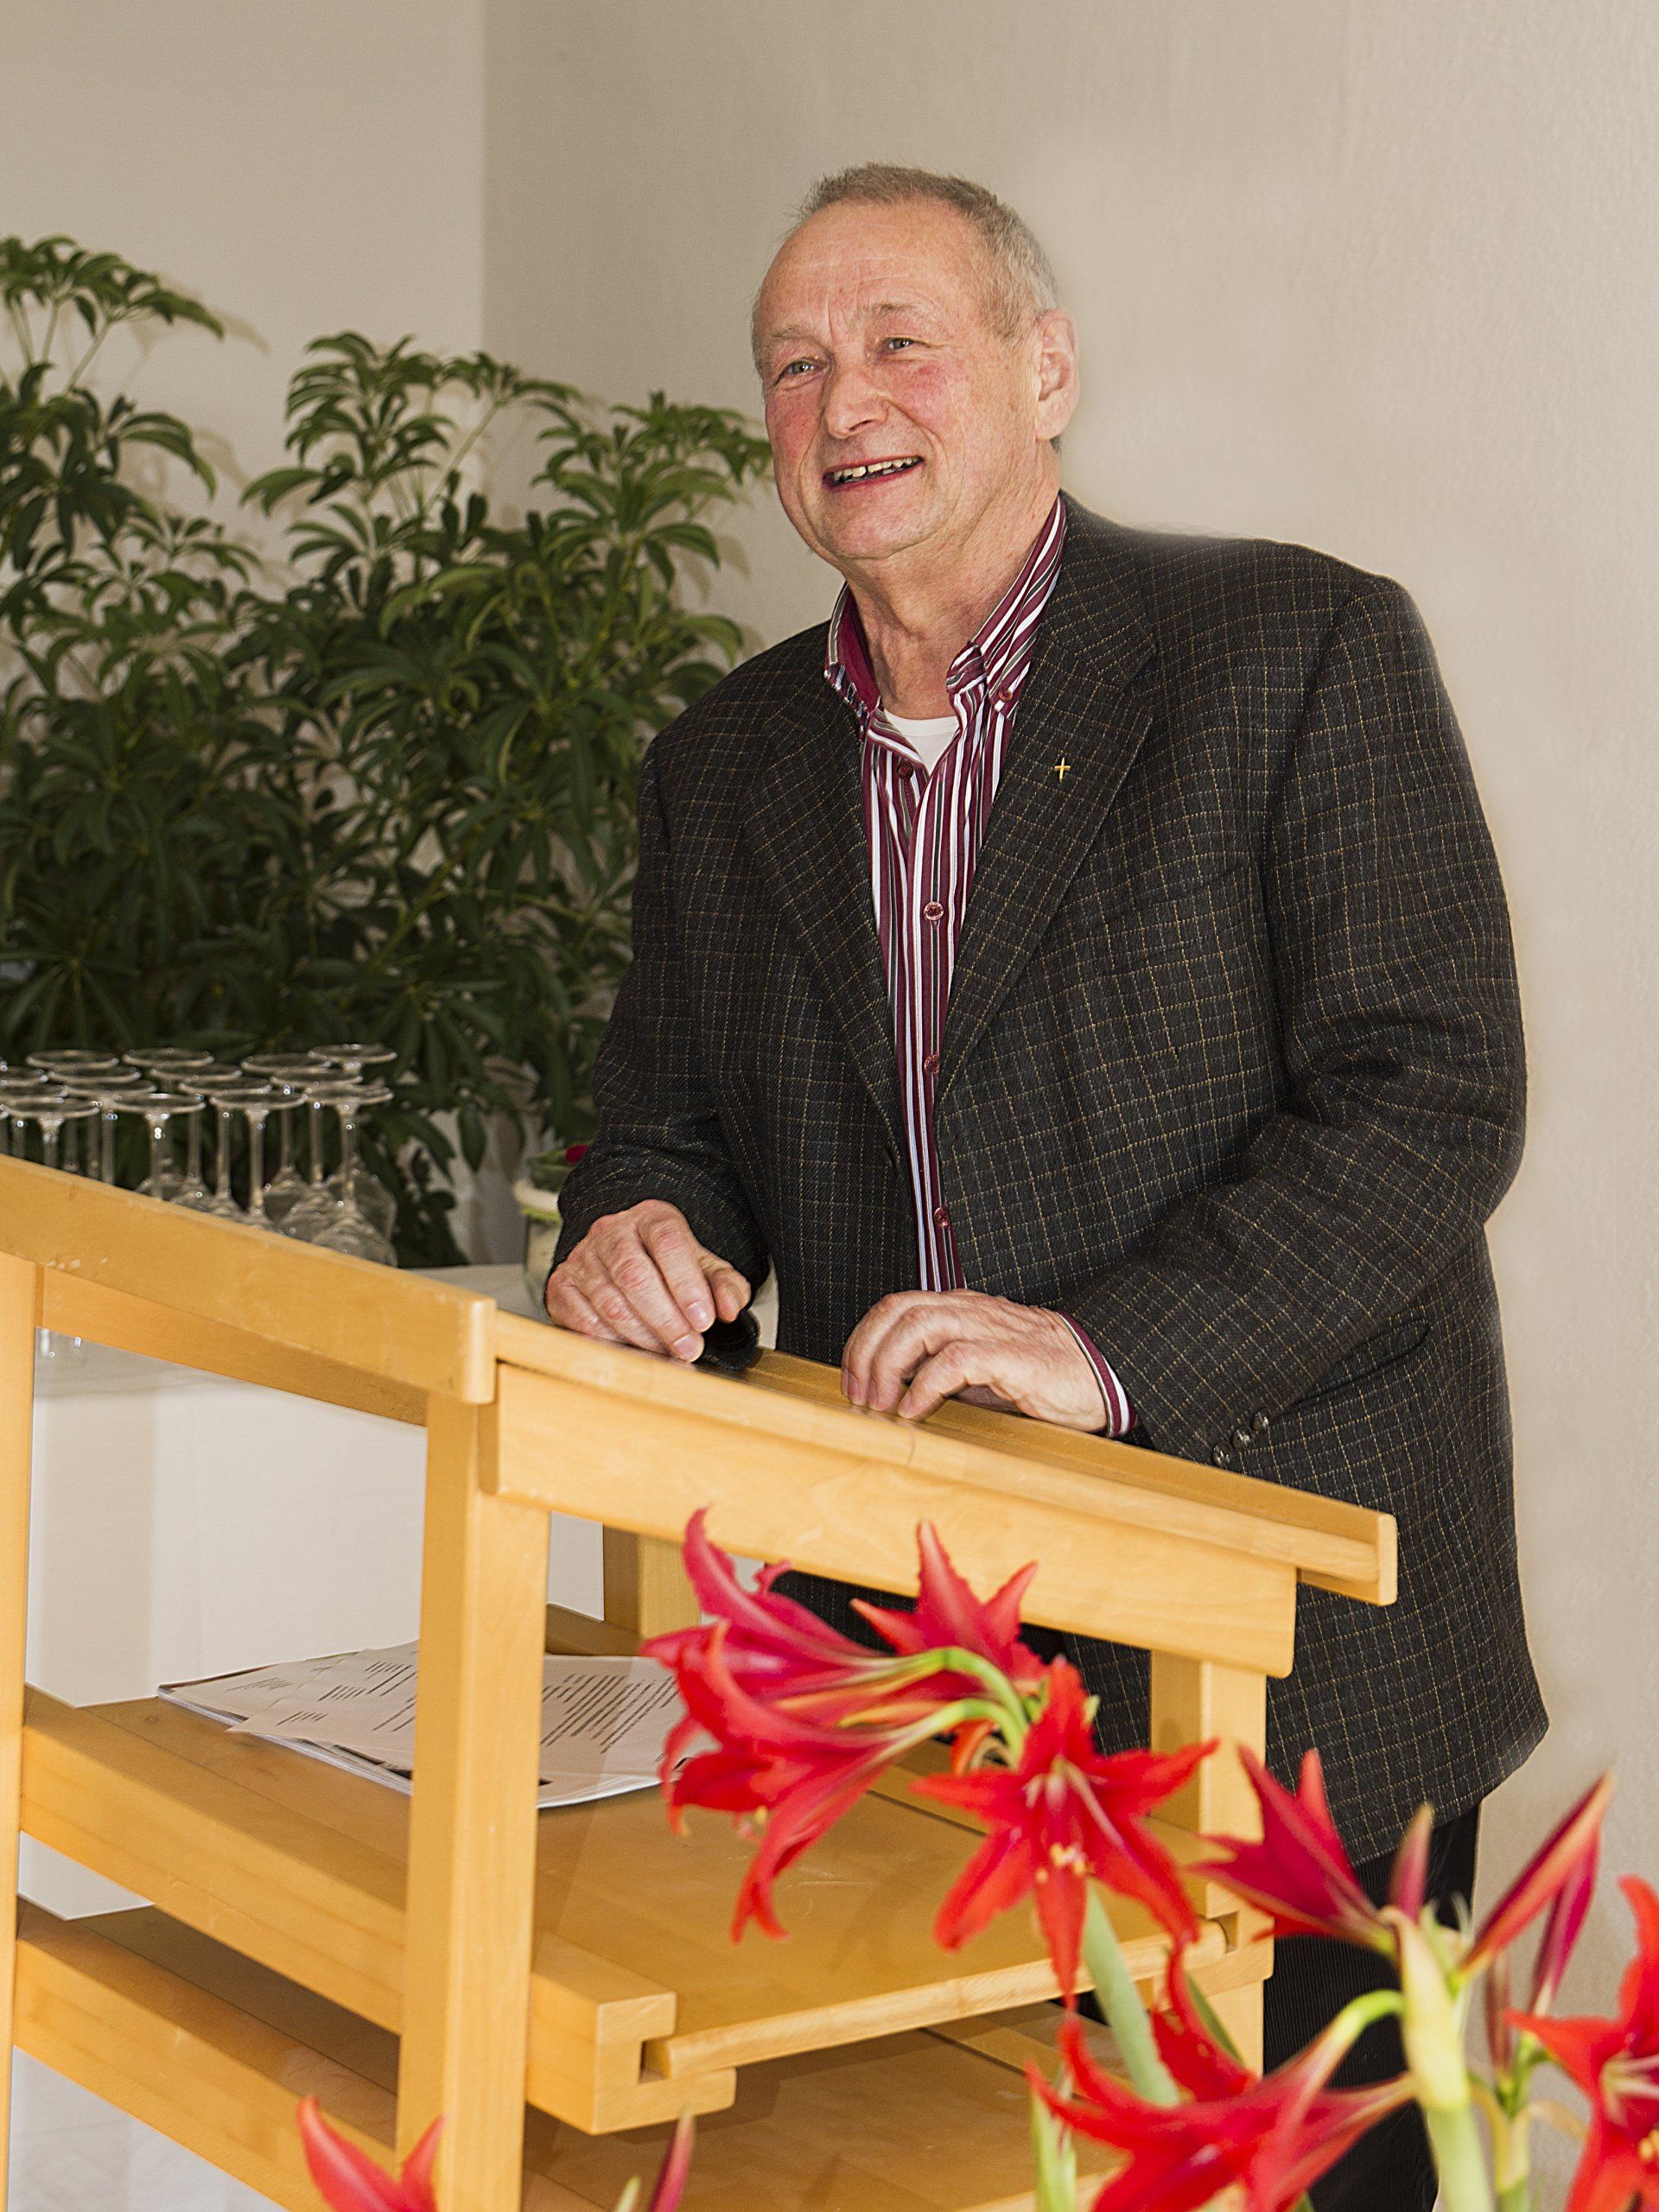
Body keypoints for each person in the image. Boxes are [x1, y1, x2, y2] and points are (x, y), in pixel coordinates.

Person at [546, 162, 1545, 2209]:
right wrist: (632, 1226)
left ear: (1045, 365)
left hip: (1292, 1666)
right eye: (796, 362)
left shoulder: (1298, 649)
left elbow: (1431, 1100)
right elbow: (662, 1120)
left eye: (902, 339)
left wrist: (1104, 1350)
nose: (849, 400)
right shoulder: (719, 762)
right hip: (899, 1691)